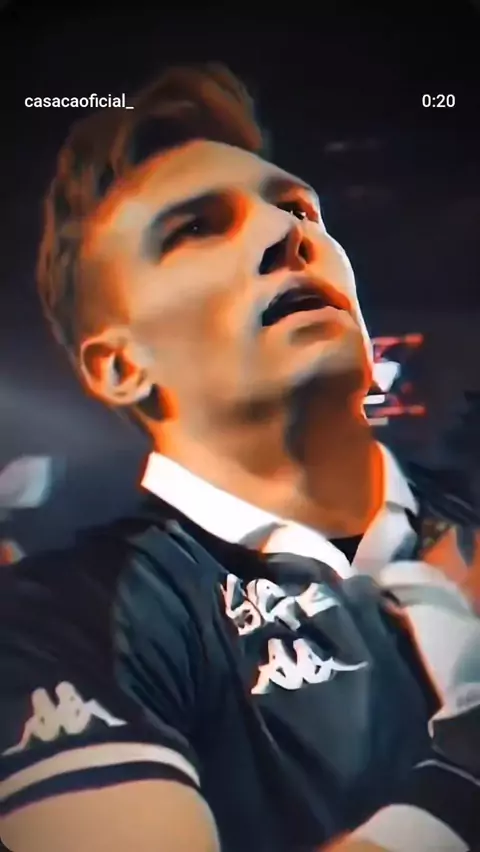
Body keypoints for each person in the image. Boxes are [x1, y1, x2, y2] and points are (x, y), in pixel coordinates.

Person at [1, 64, 479, 852]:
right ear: (120, 365)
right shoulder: (64, 619)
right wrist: (464, 774)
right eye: (195, 229)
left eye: (298, 209)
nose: (286, 235)